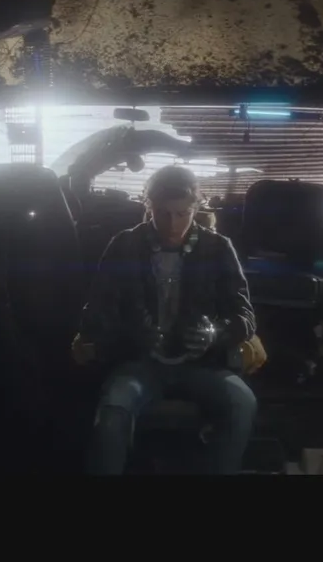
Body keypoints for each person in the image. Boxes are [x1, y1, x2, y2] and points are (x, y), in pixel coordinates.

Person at [73, 165, 258, 474]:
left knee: (242, 403)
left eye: (182, 214)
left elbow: (245, 316)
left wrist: (215, 334)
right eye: (163, 213)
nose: (173, 225)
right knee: (113, 412)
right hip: (139, 364)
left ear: (196, 208)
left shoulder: (218, 248)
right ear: (149, 207)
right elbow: (94, 315)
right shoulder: (124, 245)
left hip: (203, 365)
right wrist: (131, 333)